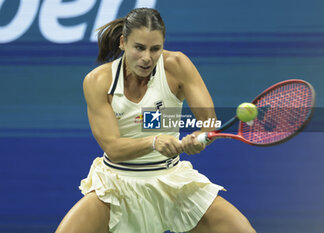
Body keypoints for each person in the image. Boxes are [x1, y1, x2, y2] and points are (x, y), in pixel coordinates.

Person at [55, 8, 256, 233]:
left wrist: (199, 139)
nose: (147, 58)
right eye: (139, 48)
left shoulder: (178, 65)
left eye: (155, 49)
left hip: (172, 181)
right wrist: (154, 142)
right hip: (116, 186)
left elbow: (209, 122)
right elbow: (113, 148)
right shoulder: (98, 81)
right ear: (123, 42)